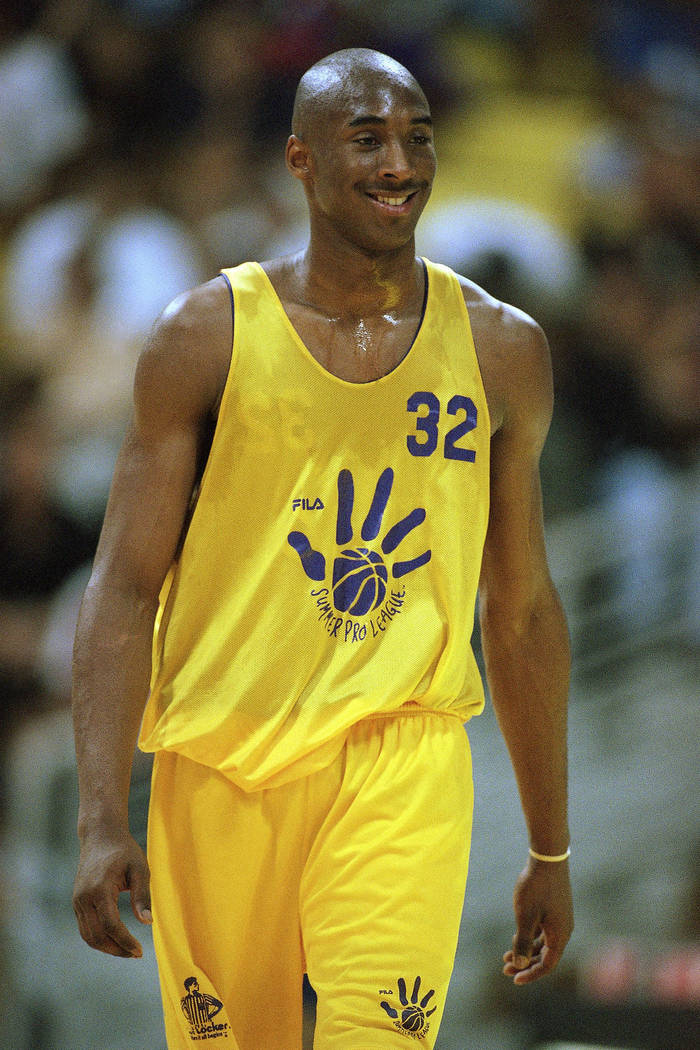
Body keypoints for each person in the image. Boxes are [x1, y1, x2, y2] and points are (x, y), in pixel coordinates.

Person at [72, 47, 573, 1050]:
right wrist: (97, 817)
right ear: (299, 160)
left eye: (416, 137)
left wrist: (549, 847)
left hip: (402, 755)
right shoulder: (204, 335)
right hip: (222, 759)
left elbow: (516, 611)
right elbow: (123, 589)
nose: (399, 163)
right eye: (368, 138)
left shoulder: (499, 346)